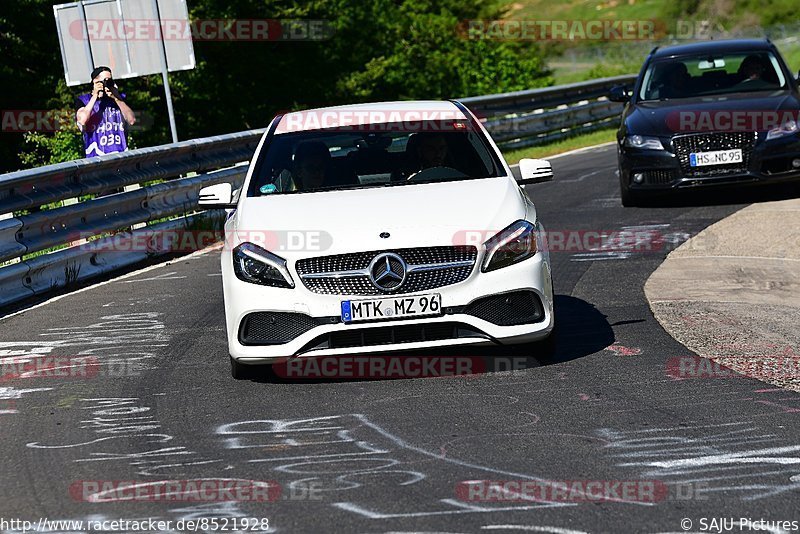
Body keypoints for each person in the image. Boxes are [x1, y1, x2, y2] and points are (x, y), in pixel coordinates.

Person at [75, 66, 136, 158]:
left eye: (110, 80)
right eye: (104, 80)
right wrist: (95, 96)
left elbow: (132, 120)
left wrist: (116, 97)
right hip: (96, 157)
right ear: (95, 82)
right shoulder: (84, 100)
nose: (107, 83)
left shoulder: (119, 99)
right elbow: (82, 120)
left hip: (120, 154)